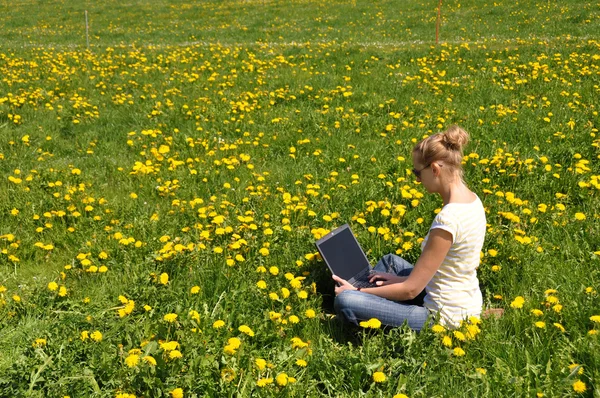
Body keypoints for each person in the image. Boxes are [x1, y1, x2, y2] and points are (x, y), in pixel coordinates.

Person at [333, 125, 486, 331]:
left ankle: (364, 309)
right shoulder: (472, 200)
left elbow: (411, 290)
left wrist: (358, 291)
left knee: (346, 301)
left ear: (434, 169)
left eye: (417, 173)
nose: (417, 180)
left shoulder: (449, 219)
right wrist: (396, 280)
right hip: (462, 300)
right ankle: (376, 300)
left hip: (442, 317)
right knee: (389, 263)